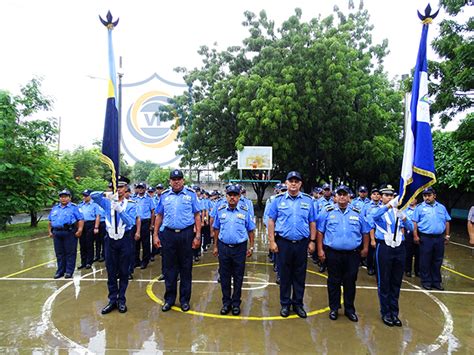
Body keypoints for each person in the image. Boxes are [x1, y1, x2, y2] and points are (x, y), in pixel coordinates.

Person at [317, 185, 370, 322]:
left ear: (349, 197)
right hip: (333, 253)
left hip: (352, 254)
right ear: (335, 197)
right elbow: (320, 232)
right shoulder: (327, 211)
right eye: (339, 194)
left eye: (344, 194)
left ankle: (349, 309)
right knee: (333, 282)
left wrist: (365, 248)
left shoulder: (357, 212)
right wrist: (320, 250)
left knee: (350, 282)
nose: (342, 197)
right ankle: (334, 308)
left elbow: (365, 232)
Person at [268, 171, 316, 318]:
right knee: (285, 275)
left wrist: (312, 241)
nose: (294, 183)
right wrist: (272, 241)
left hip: (301, 244)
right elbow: (271, 221)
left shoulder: (308, 201)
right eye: (291, 181)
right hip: (283, 243)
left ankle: (298, 304)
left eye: (296, 181)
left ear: (300, 184)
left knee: (299, 275)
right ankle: (285, 304)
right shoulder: (277, 200)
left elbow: (312, 222)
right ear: (286, 183)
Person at [153, 169, 202, 312]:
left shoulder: (191, 194)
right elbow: (159, 215)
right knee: (169, 269)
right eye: (174, 179)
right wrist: (155, 235)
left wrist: (198, 236)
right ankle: (169, 299)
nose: (176, 181)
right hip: (168, 235)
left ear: (183, 180)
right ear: (170, 181)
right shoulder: (164, 196)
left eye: (179, 178)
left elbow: (197, 215)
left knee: (186, 268)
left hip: (186, 234)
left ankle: (185, 300)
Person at [91, 176, 138, 314]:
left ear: (126, 189)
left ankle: (121, 300)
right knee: (111, 272)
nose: (119, 189)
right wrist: (107, 194)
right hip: (110, 240)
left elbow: (130, 223)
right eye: (116, 187)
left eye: (121, 187)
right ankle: (112, 300)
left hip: (124, 240)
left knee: (124, 271)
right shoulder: (107, 202)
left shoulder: (131, 204)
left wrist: (120, 210)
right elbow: (93, 196)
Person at [371, 185, 413, 327]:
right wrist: (389, 206)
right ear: (382, 197)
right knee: (384, 282)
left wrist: (404, 217)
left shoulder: (401, 210)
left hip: (399, 248)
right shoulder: (379, 210)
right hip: (384, 247)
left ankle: (394, 313)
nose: (389, 197)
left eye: (391, 195)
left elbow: (411, 229)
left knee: (396, 281)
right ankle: (386, 312)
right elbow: (374, 217)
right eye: (386, 195)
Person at [213, 184, 255, 316]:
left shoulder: (245, 210)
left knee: (238, 277)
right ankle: (226, 303)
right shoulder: (220, 209)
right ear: (226, 196)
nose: (232, 198)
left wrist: (251, 246)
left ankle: (236, 303)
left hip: (239, 248)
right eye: (229, 195)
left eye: (235, 195)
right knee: (224, 277)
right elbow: (216, 228)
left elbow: (251, 229)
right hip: (224, 247)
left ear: (239, 197)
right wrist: (215, 246)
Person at [412, 187, 451, 290]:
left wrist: (447, 235)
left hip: (439, 238)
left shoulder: (441, 207)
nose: (427, 197)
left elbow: (447, 221)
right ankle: (426, 281)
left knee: (437, 260)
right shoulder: (419, 208)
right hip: (426, 237)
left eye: (429, 195)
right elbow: (414, 222)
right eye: (425, 195)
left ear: (434, 195)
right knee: (425, 260)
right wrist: (415, 235)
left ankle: (436, 282)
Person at [48, 189, 84, 279]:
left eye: (65, 197)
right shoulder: (55, 208)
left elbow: (80, 219)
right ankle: (60, 271)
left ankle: (69, 271)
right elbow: (50, 220)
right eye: (61, 197)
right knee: (59, 253)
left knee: (70, 252)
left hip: (69, 232)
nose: (63, 199)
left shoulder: (74, 208)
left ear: (69, 198)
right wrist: (50, 231)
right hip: (57, 232)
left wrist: (79, 230)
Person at [78, 189, 101, 269]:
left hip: (90, 224)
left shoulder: (94, 205)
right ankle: (83, 262)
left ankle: (89, 262)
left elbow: (97, 216)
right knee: (82, 244)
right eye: (83, 195)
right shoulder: (80, 205)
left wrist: (96, 227)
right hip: (81, 225)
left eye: (86, 195)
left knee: (89, 244)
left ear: (90, 196)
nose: (84, 197)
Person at [134, 182, 155, 269]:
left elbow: (153, 212)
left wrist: (152, 224)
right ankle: (136, 261)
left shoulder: (149, 199)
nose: (140, 189)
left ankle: (145, 261)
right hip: (135, 222)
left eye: (142, 188)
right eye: (139, 188)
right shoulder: (134, 198)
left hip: (146, 222)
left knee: (145, 243)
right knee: (136, 243)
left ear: (145, 189)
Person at [363, 187, 382, 276]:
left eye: (378, 194)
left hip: (380, 230)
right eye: (374, 194)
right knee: (371, 251)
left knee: (379, 251)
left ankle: (377, 267)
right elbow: (362, 217)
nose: (376, 196)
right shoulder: (367, 206)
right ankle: (370, 267)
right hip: (369, 230)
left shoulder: (382, 206)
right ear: (371, 196)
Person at [404, 199, 419, 277]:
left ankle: (417, 270)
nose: (412, 200)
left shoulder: (419, 209)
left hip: (418, 231)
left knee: (418, 253)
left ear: (416, 200)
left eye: (413, 199)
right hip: (408, 232)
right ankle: (408, 270)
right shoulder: (404, 209)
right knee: (408, 252)